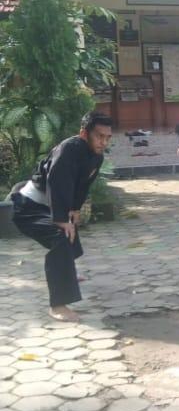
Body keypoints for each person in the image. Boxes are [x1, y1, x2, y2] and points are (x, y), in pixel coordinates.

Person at [10, 112, 113, 322]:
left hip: (47, 206)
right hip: (27, 207)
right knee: (60, 235)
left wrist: (74, 209)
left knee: (70, 229)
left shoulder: (96, 156)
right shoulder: (69, 148)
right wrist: (60, 218)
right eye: (99, 136)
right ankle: (57, 305)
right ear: (84, 133)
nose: (103, 142)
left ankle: (67, 271)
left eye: (107, 137)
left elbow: (83, 184)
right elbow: (57, 181)